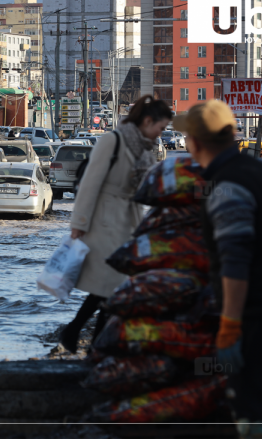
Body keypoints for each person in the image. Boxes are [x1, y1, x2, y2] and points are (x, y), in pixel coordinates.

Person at [174, 101, 262, 435]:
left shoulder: (227, 187)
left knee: (256, 415)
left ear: (195, 144)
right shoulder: (259, 171)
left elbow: (236, 260)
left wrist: (230, 324)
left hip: (259, 320)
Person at [58, 95, 172, 354]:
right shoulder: (113, 140)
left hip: (128, 220)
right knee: (110, 284)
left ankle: (81, 335)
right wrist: (79, 223)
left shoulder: (143, 149)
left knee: (113, 286)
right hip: (103, 221)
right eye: (160, 128)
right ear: (147, 120)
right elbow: (89, 183)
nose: (160, 134)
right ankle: (88, 339)